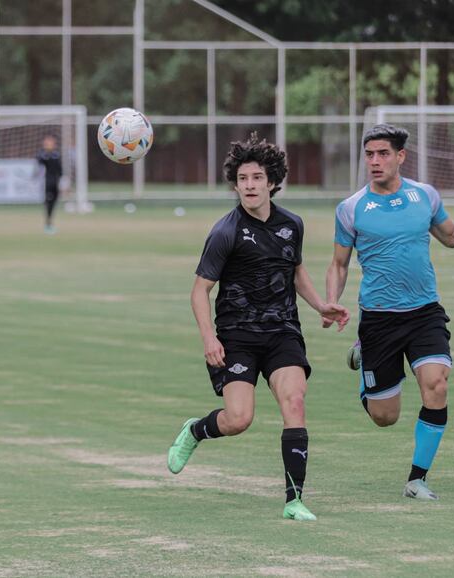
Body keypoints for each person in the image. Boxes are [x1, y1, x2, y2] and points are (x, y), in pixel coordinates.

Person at [324, 124, 454, 500]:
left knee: (437, 384)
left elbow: (452, 236)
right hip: (379, 319)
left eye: (383, 154)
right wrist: (332, 300)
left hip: (424, 313)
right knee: (385, 417)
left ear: (400, 156)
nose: (375, 161)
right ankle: (365, 358)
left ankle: (417, 479)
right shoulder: (350, 208)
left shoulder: (424, 196)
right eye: (370, 155)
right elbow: (338, 263)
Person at [167, 133, 350, 521]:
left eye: (257, 178)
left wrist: (322, 305)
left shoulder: (292, 224)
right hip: (237, 337)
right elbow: (200, 291)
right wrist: (209, 338)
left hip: (283, 332)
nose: (249, 185)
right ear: (235, 185)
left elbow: (295, 271)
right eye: (242, 179)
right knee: (238, 419)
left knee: (294, 402)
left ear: (272, 182)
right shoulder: (225, 231)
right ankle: (196, 430)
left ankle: (294, 501)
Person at [35, 135, 63, 233]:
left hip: (56, 183)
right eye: (48, 143)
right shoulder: (42, 155)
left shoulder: (56, 155)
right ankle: (48, 224)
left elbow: (60, 170)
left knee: (54, 203)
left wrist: (63, 182)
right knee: (48, 203)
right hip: (47, 183)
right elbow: (39, 163)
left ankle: (50, 223)